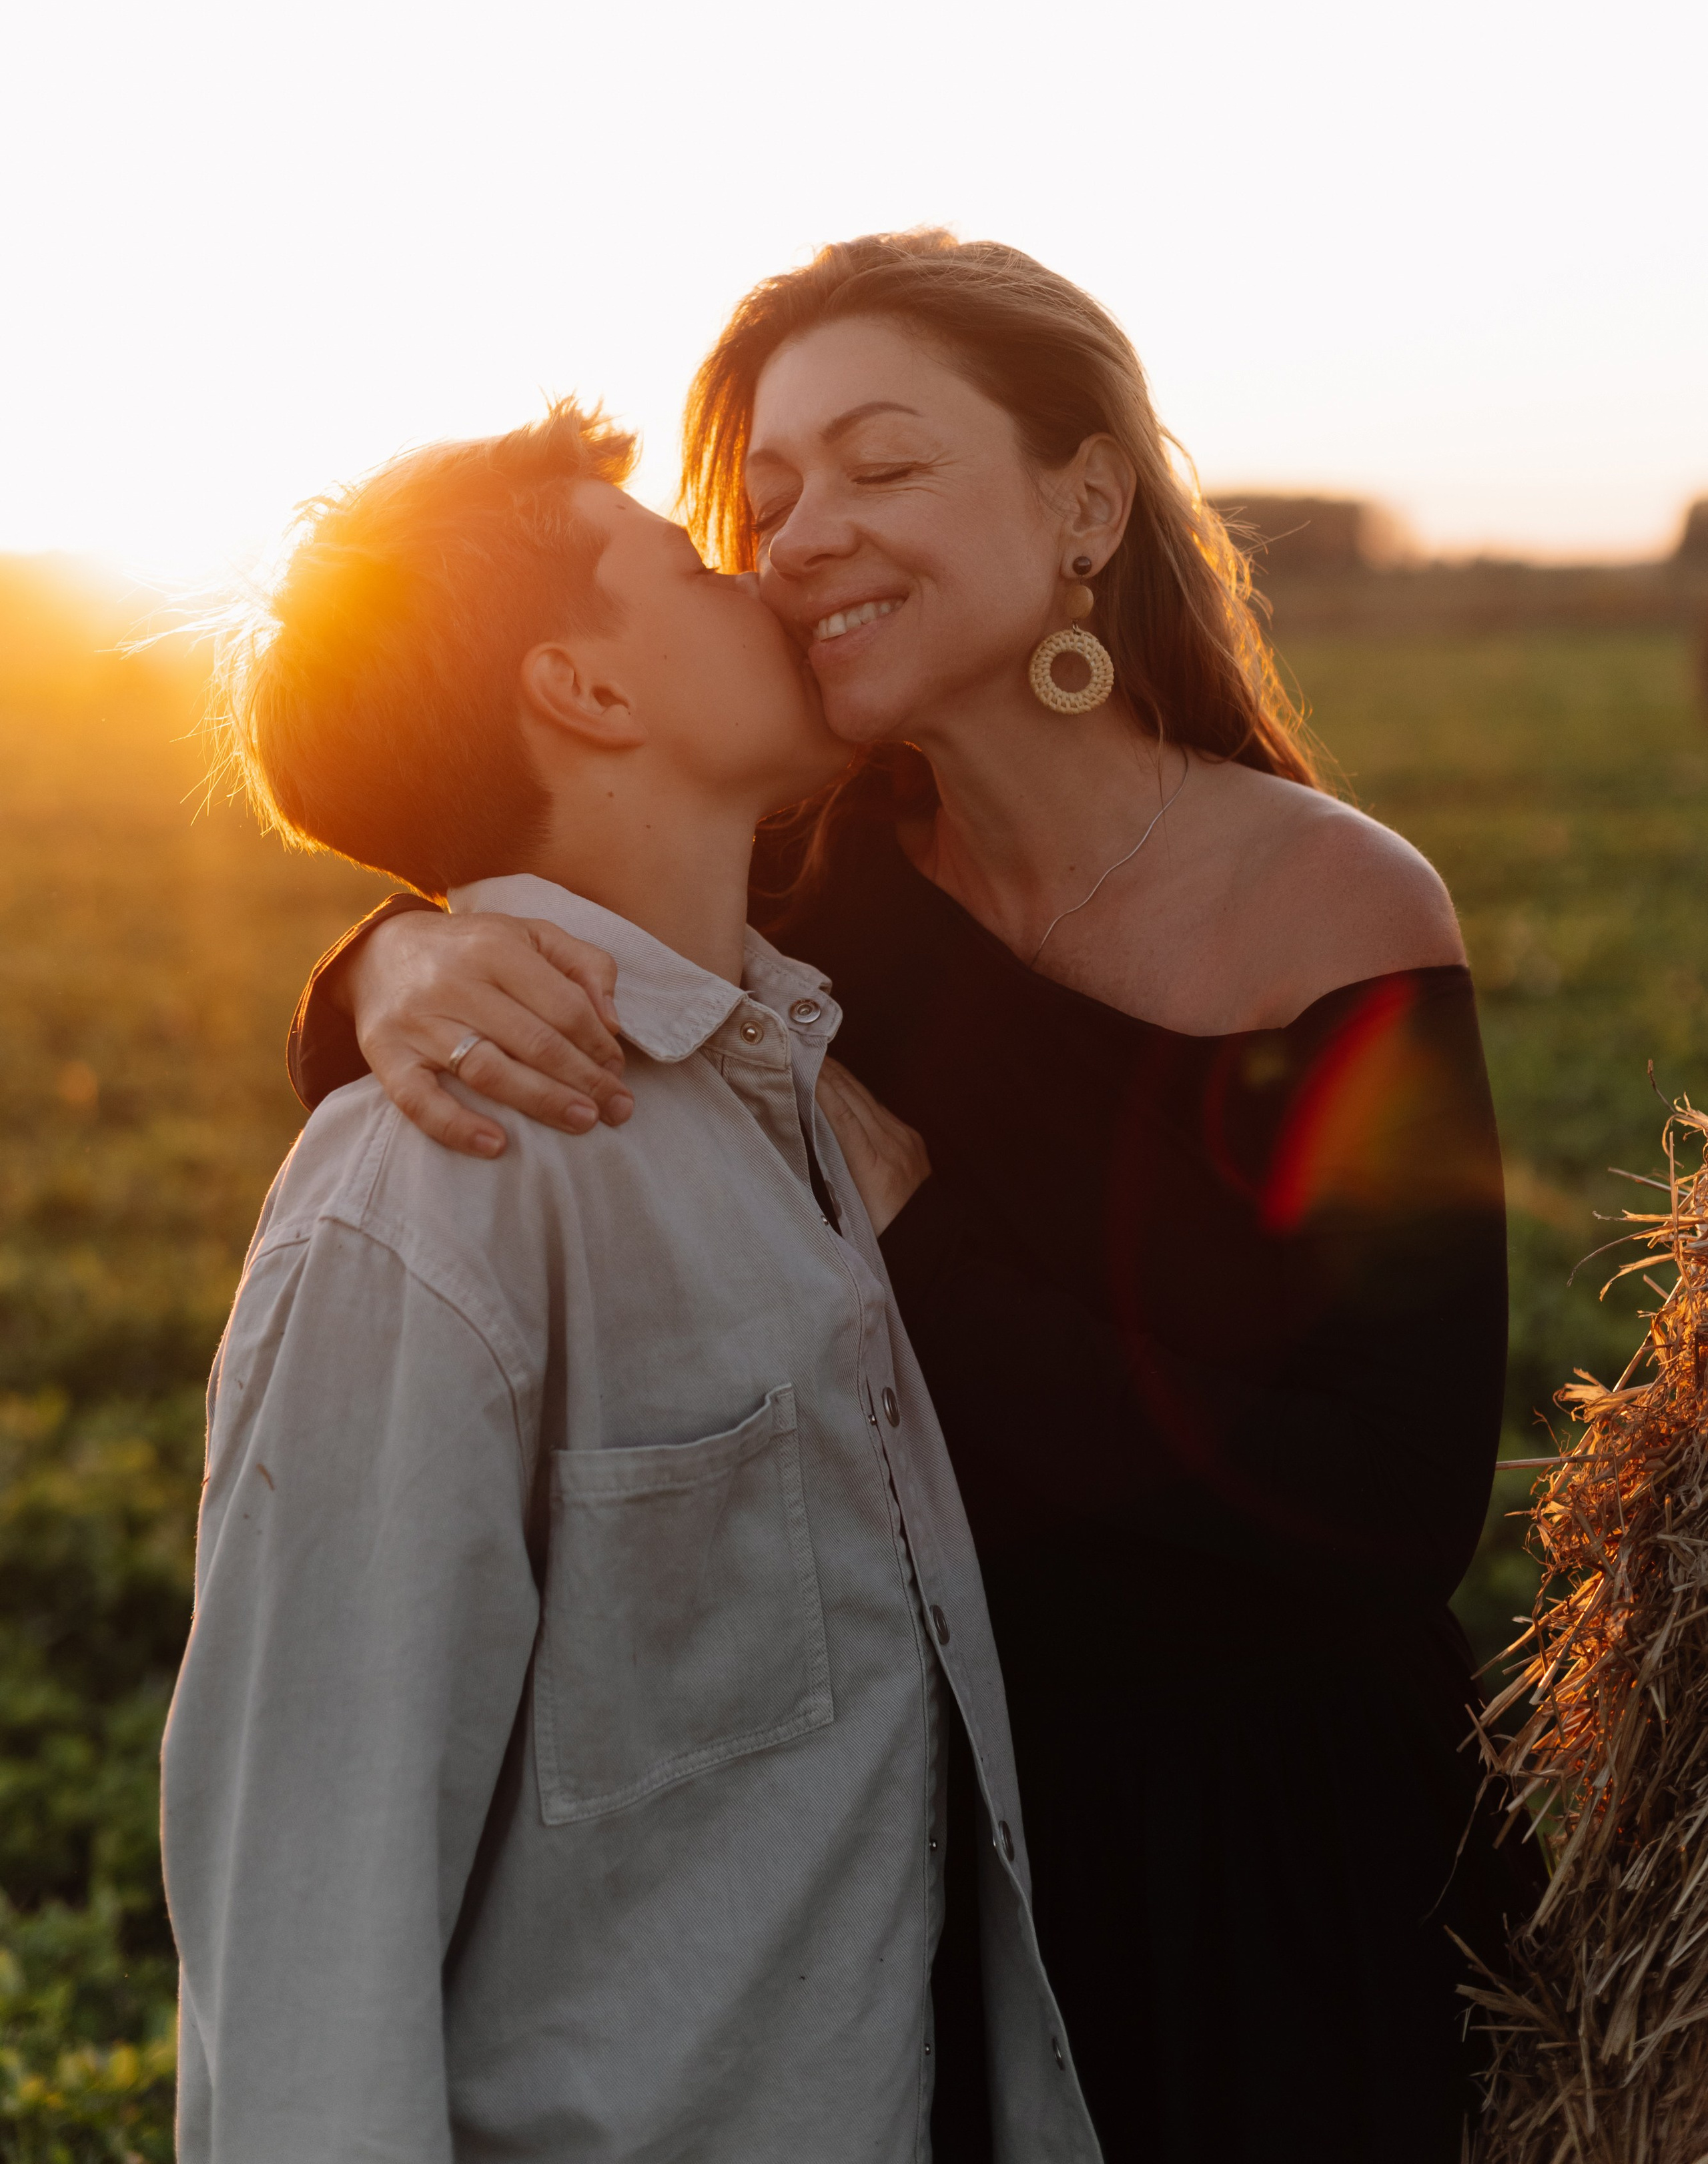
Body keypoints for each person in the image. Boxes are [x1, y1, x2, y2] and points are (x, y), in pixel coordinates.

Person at [287, 236, 1541, 2164]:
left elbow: (1391, 1505)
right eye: (770, 494)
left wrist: (920, 1244)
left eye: (882, 467)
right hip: (922, 1863)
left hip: (1279, 1881)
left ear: (1086, 508)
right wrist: (388, 963)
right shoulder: (800, 890)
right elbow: (524, 887)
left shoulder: (1343, 913)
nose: (802, 540)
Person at [161, 399, 1102, 2163]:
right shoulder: (435, 1187)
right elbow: (310, 1934)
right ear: (586, 690)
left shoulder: (796, 1073)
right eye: (687, 566)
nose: (764, 572)